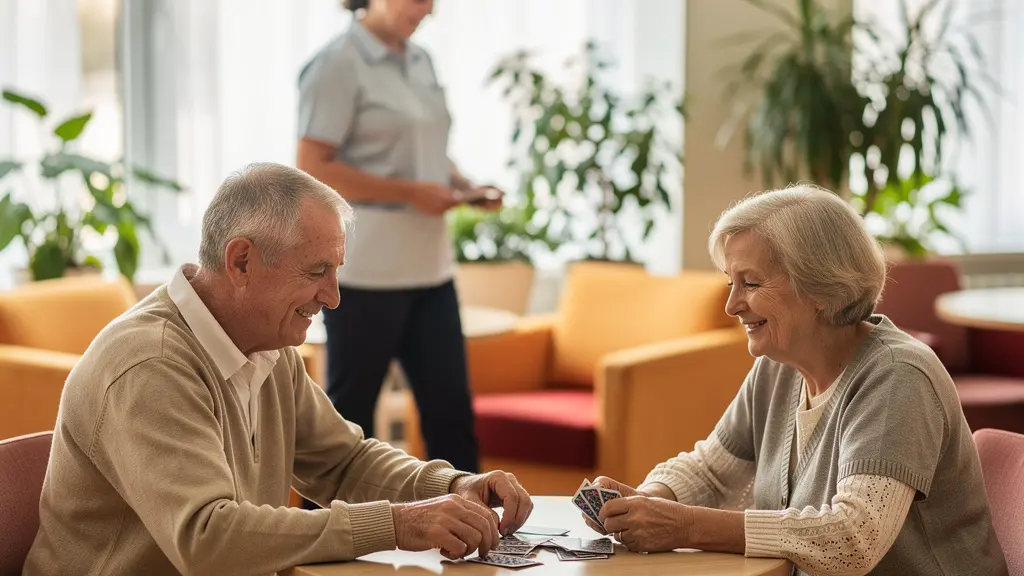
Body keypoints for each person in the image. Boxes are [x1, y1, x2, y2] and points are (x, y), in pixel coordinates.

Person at [23, 163, 532, 576]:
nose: (332, 298)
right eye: (316, 272)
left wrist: (451, 487)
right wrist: (398, 524)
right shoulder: (150, 363)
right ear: (242, 261)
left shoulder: (265, 343)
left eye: (336, 272)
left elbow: (343, 463)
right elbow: (207, 539)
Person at [580, 185, 1008, 576]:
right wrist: (645, 501)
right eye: (731, 282)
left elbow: (852, 539)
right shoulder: (780, 363)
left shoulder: (897, 376)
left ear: (820, 286)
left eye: (750, 283)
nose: (731, 305)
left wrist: (686, 526)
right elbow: (711, 470)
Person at [295, 0, 499, 475]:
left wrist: (463, 187)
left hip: (432, 271)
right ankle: (320, 541)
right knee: (348, 424)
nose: (429, 9)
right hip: (366, 275)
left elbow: (428, 153)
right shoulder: (336, 65)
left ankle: (482, 530)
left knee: (452, 419)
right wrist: (410, 194)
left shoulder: (421, 60)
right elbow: (312, 166)